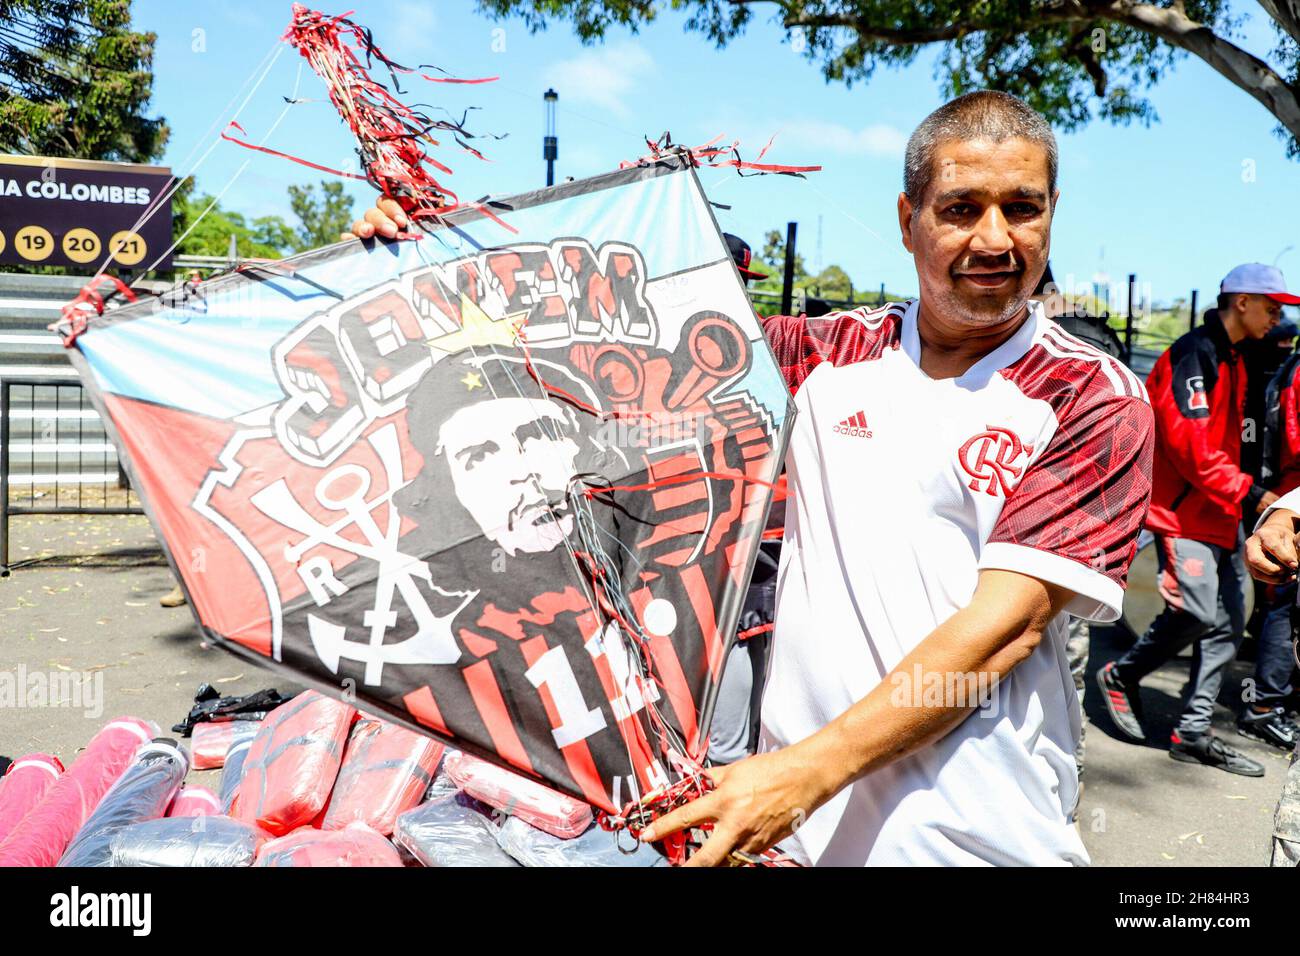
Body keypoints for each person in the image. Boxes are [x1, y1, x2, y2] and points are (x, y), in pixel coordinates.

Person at [345, 91, 1155, 867]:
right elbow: (571, 361)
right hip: (790, 835)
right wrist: (422, 264)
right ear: (909, 221)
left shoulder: (1091, 397)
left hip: (976, 837)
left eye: (1023, 207)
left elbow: (1002, 632)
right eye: (960, 208)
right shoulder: (817, 357)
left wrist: (803, 775)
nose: (994, 238)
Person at [1096, 264, 1290, 777]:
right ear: (1242, 302)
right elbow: (1191, 446)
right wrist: (1253, 492)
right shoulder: (1194, 353)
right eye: (1272, 306)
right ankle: (1121, 673)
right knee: (1199, 614)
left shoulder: (1234, 358)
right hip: (1185, 514)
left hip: (1220, 513)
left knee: (1227, 625)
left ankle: (1194, 732)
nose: (1279, 316)